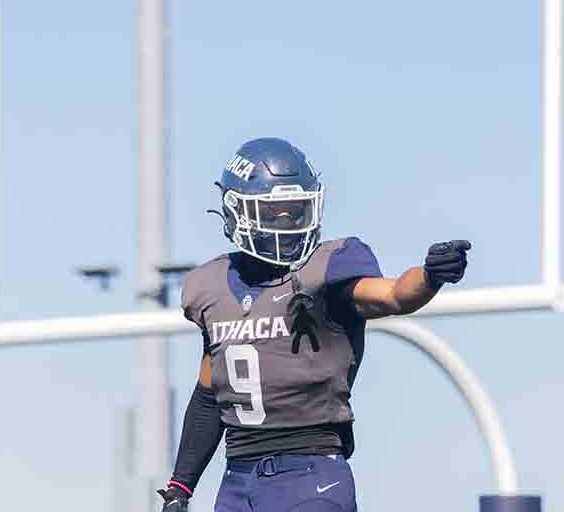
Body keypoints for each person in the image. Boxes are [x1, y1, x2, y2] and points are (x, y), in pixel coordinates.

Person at [158, 137, 470, 512]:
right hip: (237, 479)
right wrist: (181, 486)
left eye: (296, 212)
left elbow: (395, 295)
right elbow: (209, 395)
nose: (287, 224)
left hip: (311, 471)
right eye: (274, 213)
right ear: (236, 213)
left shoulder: (328, 271)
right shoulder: (209, 287)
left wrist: (431, 275)